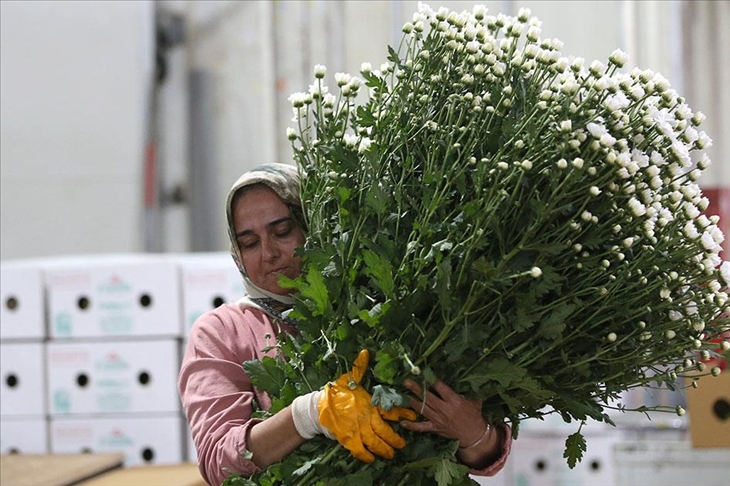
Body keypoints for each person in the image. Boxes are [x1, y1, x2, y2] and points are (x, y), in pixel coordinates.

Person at [178, 163, 511, 485]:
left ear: (316, 224)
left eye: (282, 232)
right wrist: (309, 414)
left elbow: (484, 452)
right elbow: (217, 460)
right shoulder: (221, 332)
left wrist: (474, 432)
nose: (268, 253)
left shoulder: (380, 302)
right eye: (249, 243)